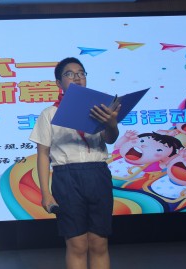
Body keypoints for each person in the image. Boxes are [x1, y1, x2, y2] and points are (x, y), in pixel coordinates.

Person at [29, 57, 121, 269]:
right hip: (66, 178)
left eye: (81, 73)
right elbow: (43, 154)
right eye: (69, 74)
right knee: (77, 244)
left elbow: (110, 138)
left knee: (99, 243)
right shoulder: (49, 114)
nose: (77, 77)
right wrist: (45, 193)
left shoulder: (100, 111)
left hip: (97, 174)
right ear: (59, 83)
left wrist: (111, 124)